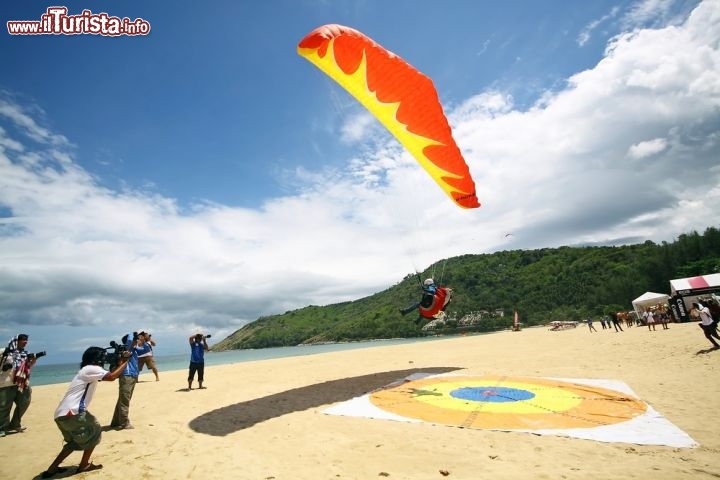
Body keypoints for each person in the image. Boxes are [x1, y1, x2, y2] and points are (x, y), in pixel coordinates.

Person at [41, 346, 130, 478]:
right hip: (73, 413)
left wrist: (119, 362)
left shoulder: (86, 370)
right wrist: (125, 362)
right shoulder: (90, 369)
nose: (104, 358)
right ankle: (84, 465)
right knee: (95, 431)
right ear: (96, 359)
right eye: (102, 356)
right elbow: (112, 376)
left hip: (61, 414)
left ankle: (52, 470)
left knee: (75, 442)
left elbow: (109, 374)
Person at [0, 334, 43, 436]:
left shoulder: (25, 354)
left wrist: (33, 361)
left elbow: (27, 367)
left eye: (26, 340)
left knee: (25, 401)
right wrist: (5, 366)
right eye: (23, 340)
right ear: (16, 340)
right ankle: (2, 427)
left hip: (21, 383)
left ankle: (15, 423)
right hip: (5, 383)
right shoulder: (4, 351)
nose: (25, 342)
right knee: (4, 407)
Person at [110, 332, 140, 430]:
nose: (137, 340)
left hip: (131, 376)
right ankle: (124, 423)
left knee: (122, 400)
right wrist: (133, 333)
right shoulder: (128, 349)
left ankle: (115, 421)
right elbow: (131, 339)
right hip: (127, 376)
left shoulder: (133, 350)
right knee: (125, 400)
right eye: (136, 339)